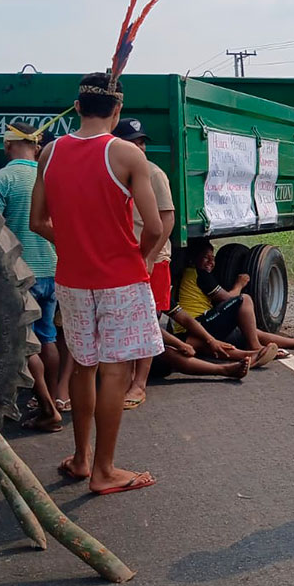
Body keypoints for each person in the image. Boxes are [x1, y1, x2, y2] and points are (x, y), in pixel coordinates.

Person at [29, 72, 163, 495]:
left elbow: (38, 221)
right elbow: (156, 226)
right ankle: (105, 470)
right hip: (120, 278)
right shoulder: (126, 155)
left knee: (83, 366)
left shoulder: (49, 153)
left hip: (72, 276)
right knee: (115, 370)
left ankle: (83, 459)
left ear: (78, 106)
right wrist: (135, 258)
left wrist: (71, 244)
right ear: (117, 109)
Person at [0, 121, 62, 432]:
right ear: (37, 145)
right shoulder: (52, 178)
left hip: (20, 274)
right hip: (52, 269)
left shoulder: (0, 179)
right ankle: (53, 400)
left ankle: (46, 408)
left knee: (24, 345)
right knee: (48, 339)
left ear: (7, 145)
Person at [112, 118, 175, 411]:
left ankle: (139, 383)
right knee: (123, 321)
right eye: (133, 142)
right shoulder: (114, 173)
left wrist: (150, 257)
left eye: (142, 142)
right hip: (121, 258)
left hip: (152, 258)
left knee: (148, 322)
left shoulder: (153, 174)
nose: (140, 147)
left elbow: (166, 219)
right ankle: (123, 378)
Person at [171, 238, 294, 358]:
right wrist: (239, 284)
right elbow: (227, 298)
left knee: (248, 329)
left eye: (213, 257)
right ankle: (256, 347)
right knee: (244, 299)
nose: (211, 262)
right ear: (193, 259)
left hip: (195, 326)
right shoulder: (200, 274)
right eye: (206, 258)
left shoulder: (189, 273)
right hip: (194, 326)